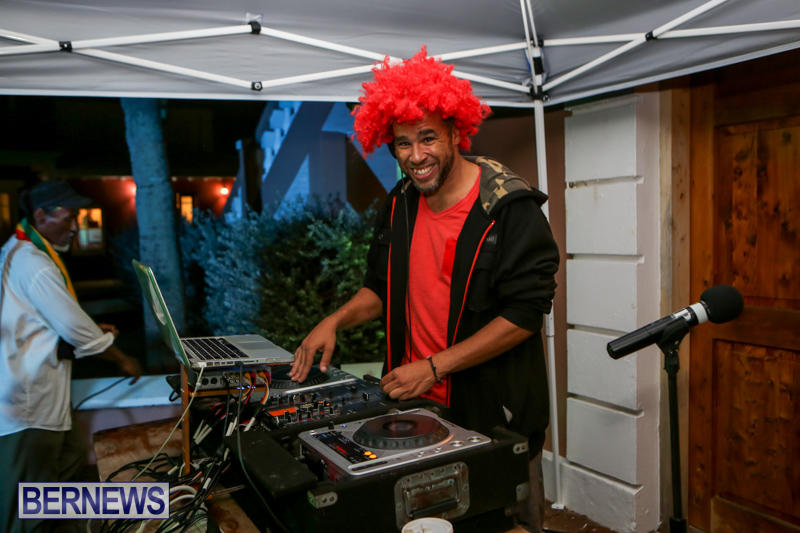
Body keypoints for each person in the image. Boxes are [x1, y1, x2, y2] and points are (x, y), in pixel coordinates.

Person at [291, 48, 559, 532]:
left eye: (428, 137)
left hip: (489, 413)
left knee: (496, 524)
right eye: (403, 143)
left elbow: (524, 316)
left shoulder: (509, 208)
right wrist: (334, 320)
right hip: (414, 406)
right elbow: (380, 288)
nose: (416, 156)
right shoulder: (400, 203)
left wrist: (434, 367)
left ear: (456, 132)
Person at [0, 181, 142, 533]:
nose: (76, 226)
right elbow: (78, 332)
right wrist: (121, 359)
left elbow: (35, 319)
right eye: (69, 218)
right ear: (40, 216)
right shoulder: (35, 264)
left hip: (31, 397)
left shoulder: (14, 250)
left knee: (69, 464)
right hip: (27, 404)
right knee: (26, 509)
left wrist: (87, 329)